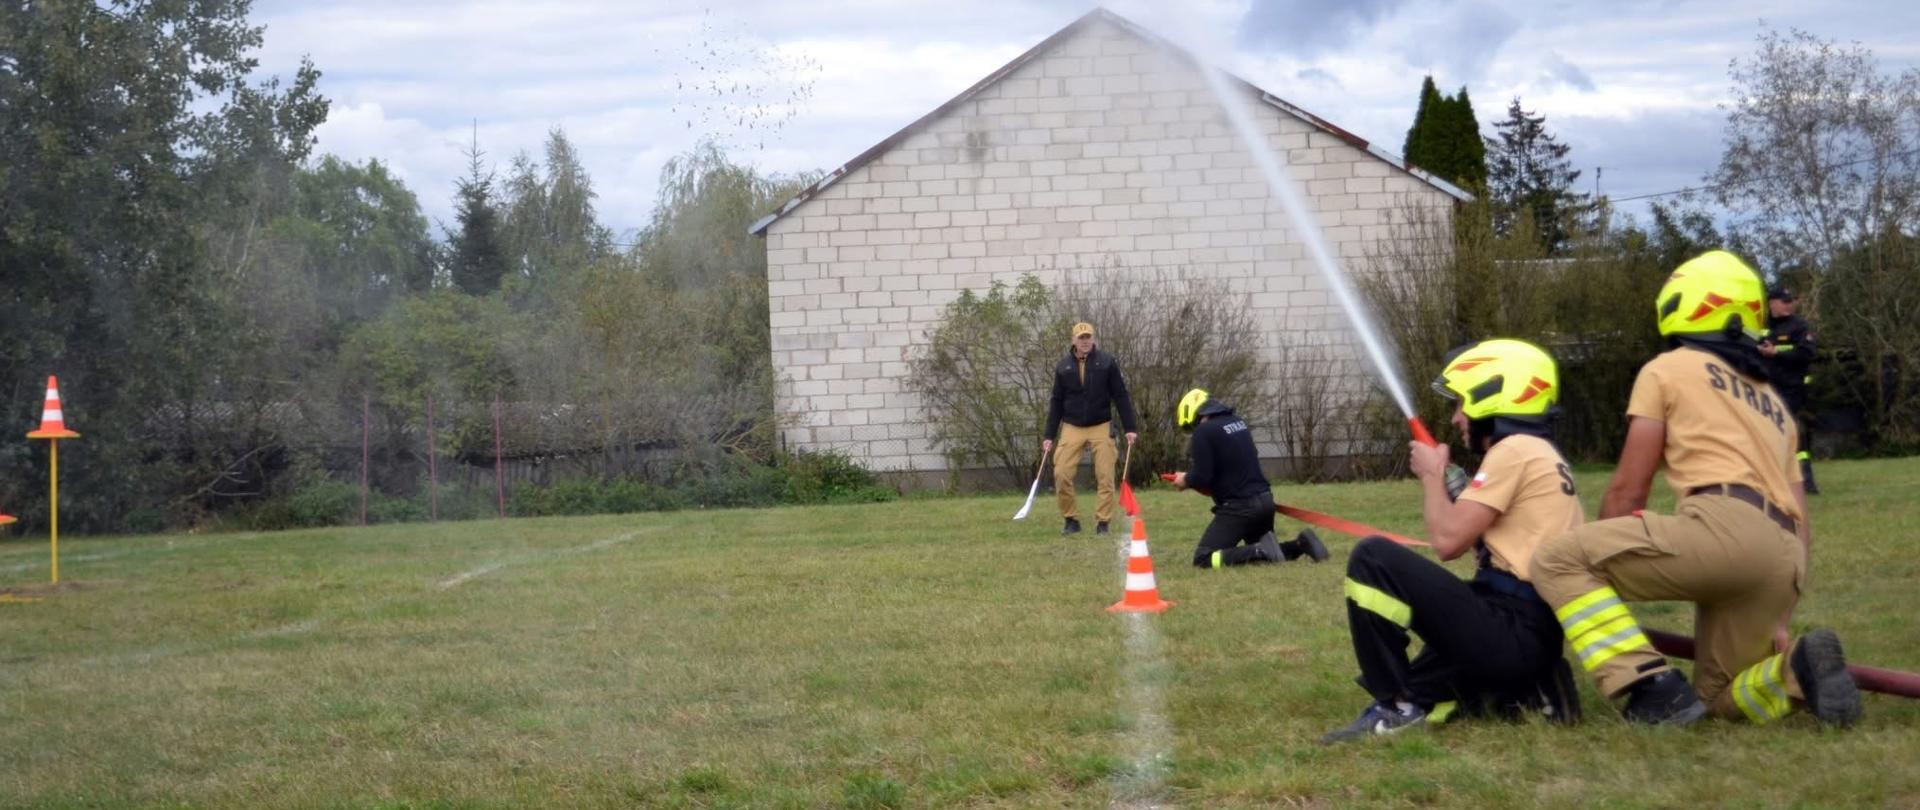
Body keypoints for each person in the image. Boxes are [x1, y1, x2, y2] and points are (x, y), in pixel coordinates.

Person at [1529, 250, 1861, 728]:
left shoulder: (1668, 368)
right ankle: (1796, 670)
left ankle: (1652, 689)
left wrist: (1599, 552)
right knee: (1719, 695)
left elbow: (1629, 488)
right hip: (1784, 555)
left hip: (1723, 529)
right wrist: (1782, 615)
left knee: (1558, 560)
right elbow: (1802, 517)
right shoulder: (1774, 404)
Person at [1322, 339, 1584, 742]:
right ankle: (1534, 690)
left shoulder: (1514, 451)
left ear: (1493, 395)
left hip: (1513, 625)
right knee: (1425, 686)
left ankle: (1396, 708)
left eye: (1461, 403)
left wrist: (1431, 475)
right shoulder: (1538, 452)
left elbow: (1447, 542)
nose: (1456, 417)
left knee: (1373, 558)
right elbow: (1486, 543)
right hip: (1530, 629)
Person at [1168, 388, 1328, 568]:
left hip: (1240, 508)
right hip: (1265, 502)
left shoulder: (1203, 432)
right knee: (1268, 555)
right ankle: (1301, 544)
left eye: (1190, 426)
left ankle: (1261, 549)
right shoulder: (1238, 422)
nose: (1193, 430)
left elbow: (1202, 477)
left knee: (1203, 559)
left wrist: (1185, 480)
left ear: (1195, 415)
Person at [1043, 322, 1141, 535]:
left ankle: (1103, 523)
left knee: (1105, 476)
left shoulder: (1107, 363)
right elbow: (1056, 401)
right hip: (1072, 425)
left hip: (1101, 424)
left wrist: (1130, 427)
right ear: (1073, 341)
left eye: (1088, 337)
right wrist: (1049, 435)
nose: (1085, 341)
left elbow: (1120, 395)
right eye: (1081, 337)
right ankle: (1071, 520)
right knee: (1061, 473)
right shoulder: (1063, 367)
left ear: (1093, 339)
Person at [1761, 284, 1819, 494]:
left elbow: (1808, 353)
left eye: (1790, 302)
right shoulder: (1760, 325)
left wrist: (1777, 353)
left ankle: (1805, 481)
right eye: (1784, 302)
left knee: (1793, 434)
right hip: (1765, 389)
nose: (1789, 305)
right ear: (1772, 303)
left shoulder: (1799, 326)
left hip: (1791, 390)